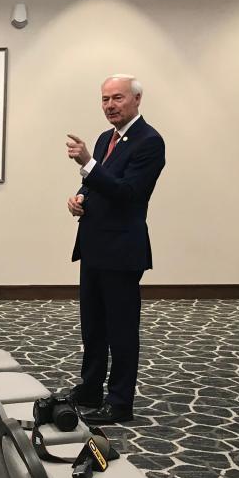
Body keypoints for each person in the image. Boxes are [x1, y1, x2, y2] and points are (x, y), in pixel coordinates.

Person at [64, 74, 165, 424]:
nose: (110, 105)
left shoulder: (150, 142)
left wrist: (88, 164)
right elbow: (97, 187)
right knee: (92, 326)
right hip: (93, 245)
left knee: (121, 329)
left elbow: (128, 194)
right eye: (105, 99)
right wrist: (79, 199)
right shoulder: (107, 137)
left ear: (137, 99)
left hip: (122, 250)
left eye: (117, 98)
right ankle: (90, 387)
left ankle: (120, 401)